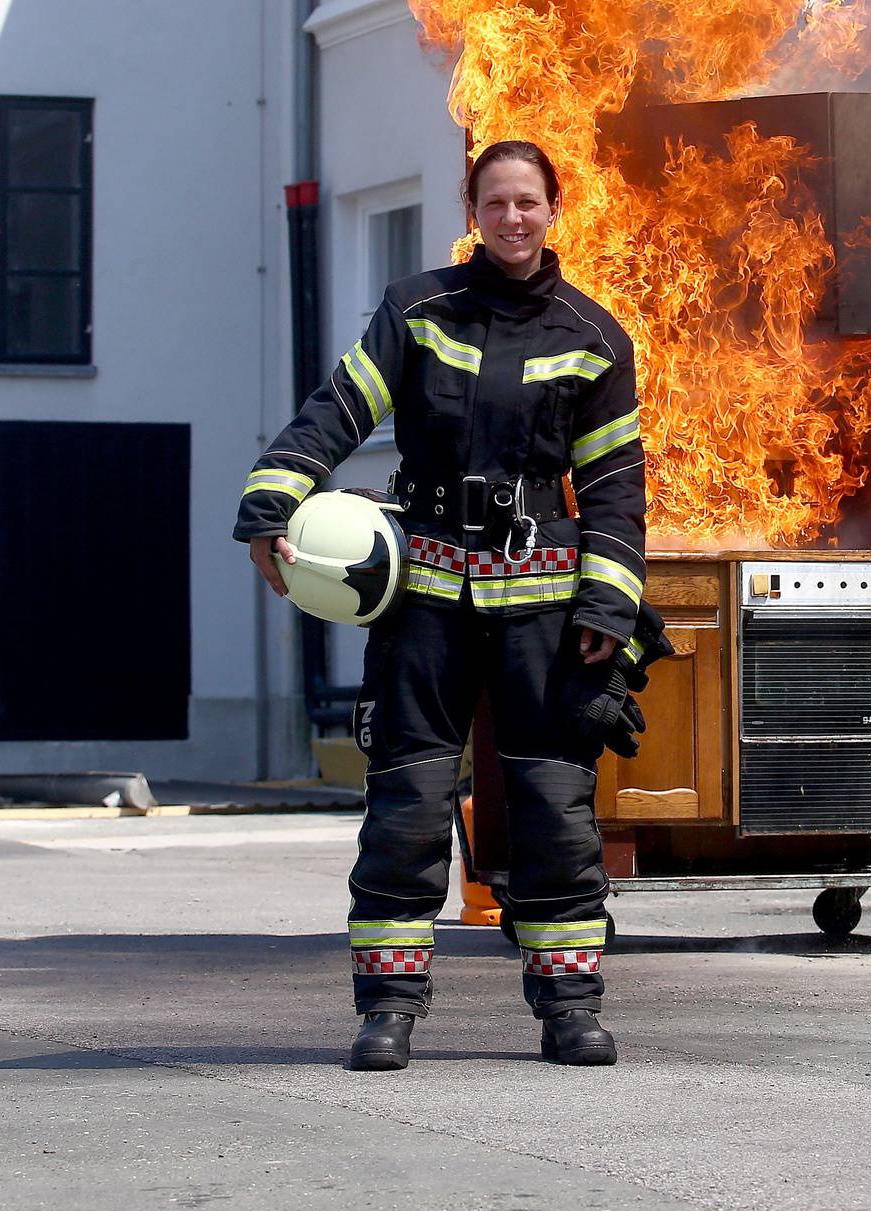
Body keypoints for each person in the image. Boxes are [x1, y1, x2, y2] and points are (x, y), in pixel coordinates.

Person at [234, 140, 648, 1068]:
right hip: (423, 596)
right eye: (496, 202)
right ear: (473, 208)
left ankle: (570, 1006)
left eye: (529, 203)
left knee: (554, 806)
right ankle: (387, 1007)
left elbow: (618, 487)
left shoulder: (594, 337)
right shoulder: (416, 311)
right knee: (409, 802)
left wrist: (607, 607)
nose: (512, 218)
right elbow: (336, 410)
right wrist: (271, 504)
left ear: (554, 210)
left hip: (547, 606)